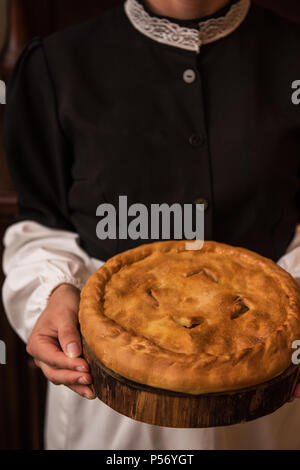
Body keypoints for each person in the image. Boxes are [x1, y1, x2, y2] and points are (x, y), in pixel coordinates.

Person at [3, 0, 300, 450]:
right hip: (106, 412)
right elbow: (41, 224)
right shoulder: (58, 63)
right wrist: (54, 293)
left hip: (264, 411)